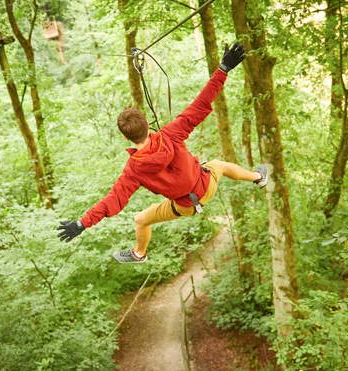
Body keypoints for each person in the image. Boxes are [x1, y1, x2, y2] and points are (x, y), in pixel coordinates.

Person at [57, 43, 267, 263]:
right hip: (207, 184)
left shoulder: (133, 170)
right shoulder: (171, 134)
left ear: (125, 137)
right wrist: (223, 69)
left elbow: (113, 200)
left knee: (141, 220)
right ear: (148, 125)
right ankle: (259, 177)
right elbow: (201, 103)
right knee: (219, 165)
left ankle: (139, 253)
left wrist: (82, 223)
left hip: (186, 206)